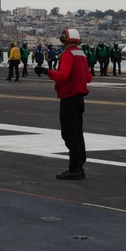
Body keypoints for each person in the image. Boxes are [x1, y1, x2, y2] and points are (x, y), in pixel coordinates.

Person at [34, 28, 92, 180]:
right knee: (78, 133)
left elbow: (63, 76)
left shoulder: (67, 55)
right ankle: (80, 166)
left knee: (68, 134)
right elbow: (89, 78)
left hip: (69, 98)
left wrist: (46, 71)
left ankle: (74, 169)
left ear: (64, 39)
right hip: (80, 99)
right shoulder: (81, 54)